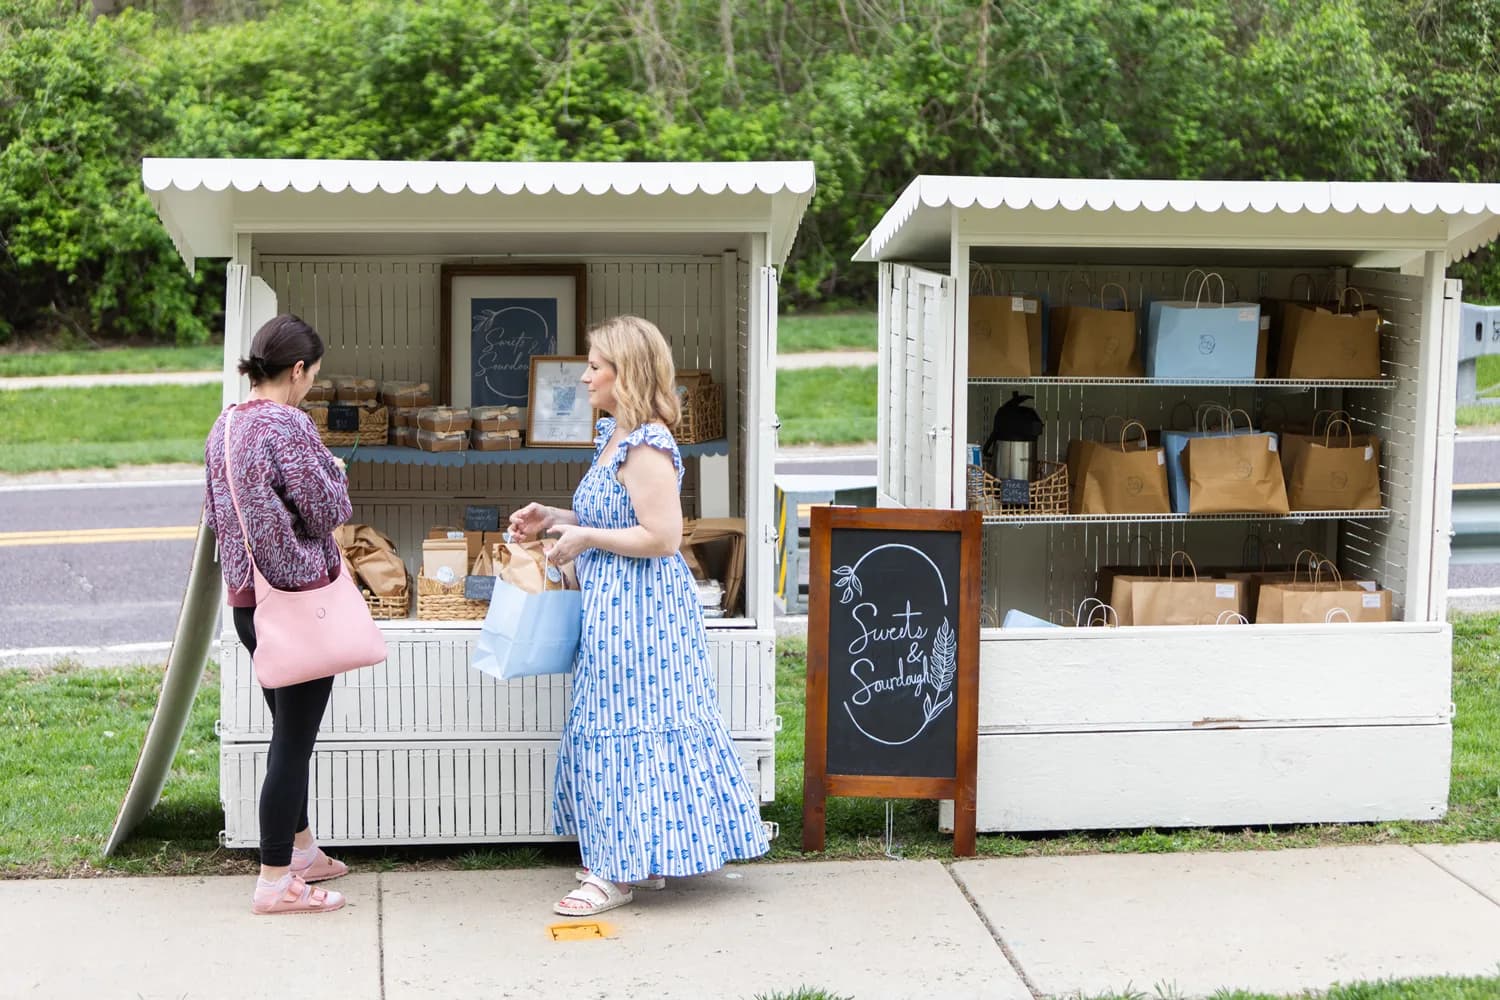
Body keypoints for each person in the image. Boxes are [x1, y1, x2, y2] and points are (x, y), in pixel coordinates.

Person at [509, 315, 769, 916]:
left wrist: (586, 539)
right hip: (618, 607)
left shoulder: (647, 443)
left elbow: (661, 536)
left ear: (626, 374)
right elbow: (613, 518)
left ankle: (613, 873)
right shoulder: (614, 437)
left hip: (643, 616)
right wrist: (553, 518)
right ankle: (635, 856)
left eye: (597, 364)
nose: (586, 374)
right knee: (620, 726)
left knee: (625, 727)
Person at [203, 314, 353, 915]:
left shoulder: (225, 425)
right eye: (312, 376)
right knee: (293, 742)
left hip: (250, 605)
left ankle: (303, 851)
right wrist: (337, 475)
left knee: (288, 733)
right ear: (296, 371)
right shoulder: (288, 424)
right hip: (298, 604)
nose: (311, 386)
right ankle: (274, 881)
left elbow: (217, 517)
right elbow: (325, 510)